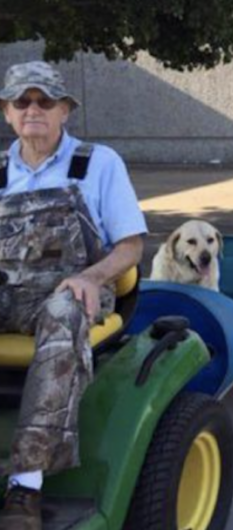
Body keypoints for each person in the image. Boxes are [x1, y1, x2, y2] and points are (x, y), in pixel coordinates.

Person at [0, 61, 147, 529]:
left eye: (44, 101)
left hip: (75, 289)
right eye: (22, 101)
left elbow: (131, 246)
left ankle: (25, 486)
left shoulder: (98, 163)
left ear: (65, 110)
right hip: (9, 290)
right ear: (7, 113)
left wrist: (93, 277)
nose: (33, 110)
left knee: (64, 313)